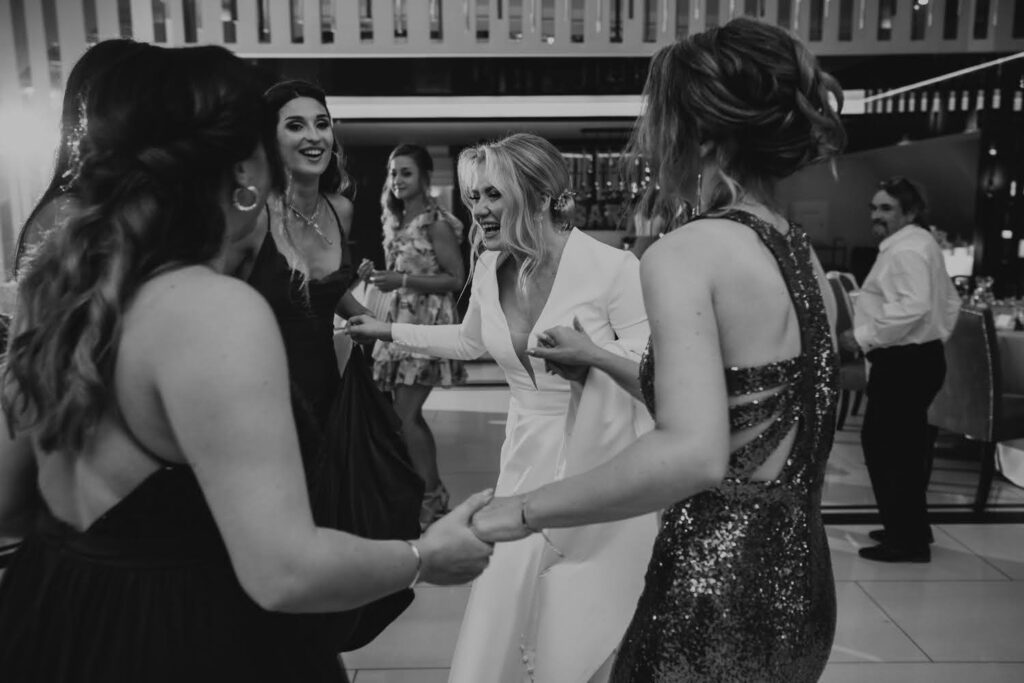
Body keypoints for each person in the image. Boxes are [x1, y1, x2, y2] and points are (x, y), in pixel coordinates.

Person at [0, 44, 492, 683]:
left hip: (54, 615)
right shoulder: (214, 310)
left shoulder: (56, 288)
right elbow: (284, 572)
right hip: (185, 635)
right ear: (244, 173)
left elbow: (8, 503)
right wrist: (424, 556)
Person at [470, 18, 845, 682]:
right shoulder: (800, 253)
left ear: (698, 134)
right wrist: (604, 360)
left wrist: (523, 508)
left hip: (714, 590)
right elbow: (742, 411)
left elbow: (693, 452)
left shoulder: (687, 252)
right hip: (804, 587)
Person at [348, 132, 659, 683]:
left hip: (600, 460)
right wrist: (387, 330)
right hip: (523, 457)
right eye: (474, 196)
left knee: (587, 603)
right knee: (510, 587)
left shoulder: (614, 269)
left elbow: (654, 377)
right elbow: (469, 341)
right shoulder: (492, 266)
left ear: (540, 196)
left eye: (493, 194)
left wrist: (592, 357)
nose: (480, 209)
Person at [839, 176, 961, 563]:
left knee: (888, 448)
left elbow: (914, 306)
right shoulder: (918, 243)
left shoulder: (907, 250)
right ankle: (909, 528)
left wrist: (862, 336)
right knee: (905, 448)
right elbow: (951, 303)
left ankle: (906, 541)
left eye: (886, 208)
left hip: (904, 361)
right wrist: (932, 339)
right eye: (874, 208)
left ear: (909, 212)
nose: (876, 215)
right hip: (916, 357)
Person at [358, 144, 467, 529]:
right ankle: (426, 494)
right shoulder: (396, 218)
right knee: (404, 416)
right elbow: (401, 273)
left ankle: (431, 498)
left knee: (405, 417)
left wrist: (401, 279)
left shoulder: (435, 222)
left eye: (405, 172)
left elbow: (456, 279)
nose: (397, 180)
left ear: (424, 177)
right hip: (399, 321)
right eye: (393, 172)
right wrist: (376, 275)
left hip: (426, 324)